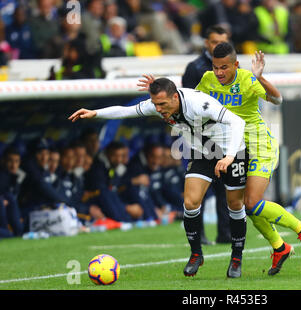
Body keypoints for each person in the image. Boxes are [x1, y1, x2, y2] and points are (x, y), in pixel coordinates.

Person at [137, 42, 301, 276]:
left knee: (251, 203)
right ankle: (279, 247)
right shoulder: (207, 79)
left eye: (224, 67)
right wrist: (157, 87)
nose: (219, 73)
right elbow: (185, 97)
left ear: (236, 65)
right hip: (228, 146)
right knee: (246, 206)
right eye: (215, 67)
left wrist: (260, 78)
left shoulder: (247, 79)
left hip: (259, 144)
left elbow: (278, 100)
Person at [69, 77, 248, 278]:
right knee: (190, 203)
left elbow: (237, 121)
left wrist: (230, 156)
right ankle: (196, 254)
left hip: (232, 152)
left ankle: (236, 258)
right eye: (155, 104)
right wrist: (95, 113)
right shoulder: (157, 104)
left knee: (234, 205)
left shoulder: (200, 103)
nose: (159, 109)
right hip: (203, 153)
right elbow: (126, 111)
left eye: (162, 104)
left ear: (174, 96)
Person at [182, 24, 232, 245]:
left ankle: (225, 233)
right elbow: (187, 102)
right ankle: (198, 234)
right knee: (197, 188)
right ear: (206, 43)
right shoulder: (195, 68)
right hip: (200, 137)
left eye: (222, 42)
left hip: (225, 136)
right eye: (214, 42)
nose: (218, 46)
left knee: (225, 187)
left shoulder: (231, 67)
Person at [0, 146, 24, 238]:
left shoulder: (18, 176)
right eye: (10, 161)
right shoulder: (3, 177)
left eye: (16, 161)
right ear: (3, 161)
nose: (13, 165)